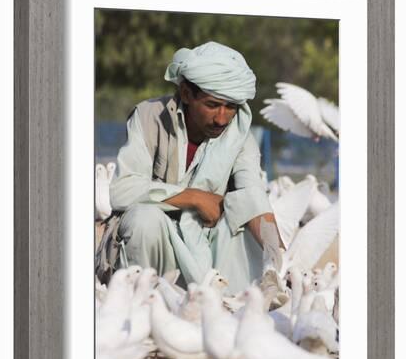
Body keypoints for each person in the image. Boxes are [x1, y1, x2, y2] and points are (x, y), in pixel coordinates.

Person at [106, 41, 282, 295]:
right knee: (144, 218)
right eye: (212, 105)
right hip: (158, 245)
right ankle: (140, 304)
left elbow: (252, 197)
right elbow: (122, 190)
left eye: (231, 106)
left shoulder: (239, 136)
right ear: (187, 94)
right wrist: (195, 198)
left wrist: (276, 262)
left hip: (206, 247)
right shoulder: (149, 117)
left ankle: (224, 305)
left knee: (242, 224)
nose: (222, 118)